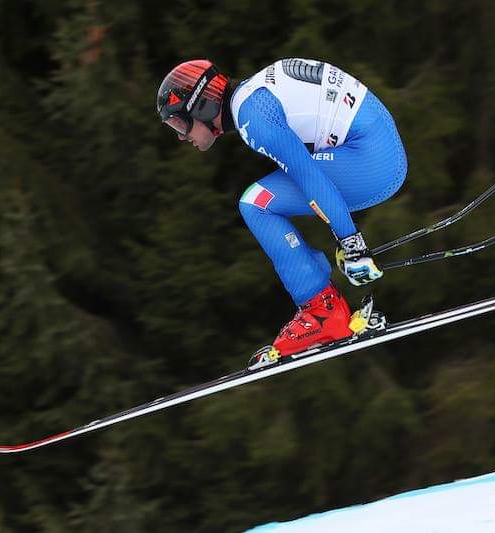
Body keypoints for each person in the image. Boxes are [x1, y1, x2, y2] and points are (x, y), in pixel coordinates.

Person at [156, 58, 407, 369]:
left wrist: (351, 243)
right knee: (261, 200)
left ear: (203, 106)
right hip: (378, 153)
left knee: (256, 203)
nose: (181, 136)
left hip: (371, 163)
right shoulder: (254, 96)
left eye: (179, 124)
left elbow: (308, 175)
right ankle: (320, 296)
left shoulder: (253, 117)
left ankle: (322, 312)